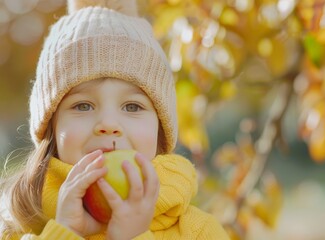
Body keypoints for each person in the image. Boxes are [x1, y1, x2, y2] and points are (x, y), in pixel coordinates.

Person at [0, 0, 230, 239]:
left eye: (132, 106)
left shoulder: (198, 232)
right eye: (83, 105)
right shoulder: (17, 227)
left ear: (160, 130)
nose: (108, 124)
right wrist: (64, 233)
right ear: (51, 129)